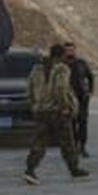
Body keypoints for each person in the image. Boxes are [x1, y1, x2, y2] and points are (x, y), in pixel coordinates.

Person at [24, 44, 89, 185]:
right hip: (57, 112)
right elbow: (61, 88)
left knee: (39, 142)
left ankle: (30, 169)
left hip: (41, 111)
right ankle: (74, 168)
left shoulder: (37, 69)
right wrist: (65, 106)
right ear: (61, 56)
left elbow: (28, 89)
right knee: (67, 142)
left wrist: (34, 106)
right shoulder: (61, 69)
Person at [63, 41, 95, 157]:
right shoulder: (61, 65)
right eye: (67, 50)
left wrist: (90, 91)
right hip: (67, 99)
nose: (70, 52)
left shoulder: (81, 63)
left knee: (83, 123)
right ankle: (73, 146)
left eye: (72, 50)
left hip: (82, 97)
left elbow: (90, 77)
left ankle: (82, 147)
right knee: (70, 124)